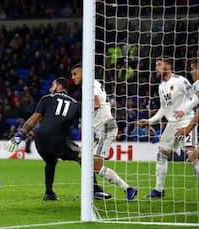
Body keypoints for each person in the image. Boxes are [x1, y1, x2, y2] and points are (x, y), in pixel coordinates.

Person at [6, 77, 129, 201]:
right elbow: (89, 117)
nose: (50, 88)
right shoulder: (76, 104)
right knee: (85, 158)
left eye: (52, 85)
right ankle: (95, 190)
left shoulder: (46, 98)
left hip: (41, 139)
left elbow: (34, 118)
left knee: (50, 161)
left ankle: (49, 193)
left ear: (59, 86)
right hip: (59, 140)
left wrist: (19, 135)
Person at [71, 64, 137, 200]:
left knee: (94, 165)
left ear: (84, 73)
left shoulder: (90, 84)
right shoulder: (93, 84)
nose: (73, 78)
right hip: (101, 128)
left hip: (106, 127)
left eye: (75, 74)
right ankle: (93, 192)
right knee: (86, 159)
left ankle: (128, 189)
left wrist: (78, 108)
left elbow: (95, 104)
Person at [138, 56, 199, 198]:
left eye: (159, 64)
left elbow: (196, 97)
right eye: (156, 65)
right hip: (172, 125)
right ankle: (159, 190)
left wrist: (184, 109)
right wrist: (150, 121)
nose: (156, 67)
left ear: (168, 65)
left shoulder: (180, 80)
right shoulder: (161, 87)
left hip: (186, 121)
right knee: (161, 155)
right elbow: (163, 109)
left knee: (193, 157)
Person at [173, 58, 199, 176]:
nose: (191, 72)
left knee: (193, 157)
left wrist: (188, 128)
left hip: (191, 125)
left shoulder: (197, 85)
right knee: (193, 157)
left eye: (193, 69)